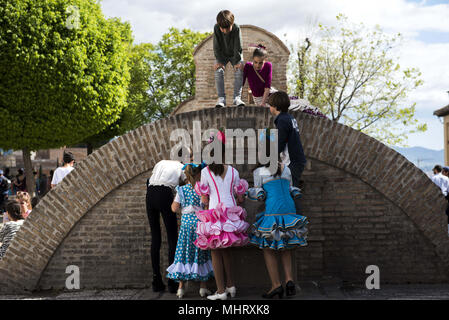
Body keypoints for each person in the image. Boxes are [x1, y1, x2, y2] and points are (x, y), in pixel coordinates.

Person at [248, 129, 308, 299]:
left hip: (273, 209)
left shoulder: (258, 172)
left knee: (268, 247)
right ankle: (289, 281)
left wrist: (249, 192)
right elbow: (291, 188)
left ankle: (276, 285)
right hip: (289, 208)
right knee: (286, 244)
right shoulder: (286, 169)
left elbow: (260, 195)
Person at [194, 130, 249, 300]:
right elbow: (240, 198)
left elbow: (204, 199)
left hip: (214, 215)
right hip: (231, 215)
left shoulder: (205, 173)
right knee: (227, 252)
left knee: (215, 253)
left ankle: (220, 292)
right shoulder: (234, 172)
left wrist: (204, 202)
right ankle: (231, 286)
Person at [166, 163, 213, 299]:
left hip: (186, 226)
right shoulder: (203, 189)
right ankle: (203, 287)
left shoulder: (181, 190)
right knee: (201, 253)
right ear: (199, 174)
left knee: (183, 253)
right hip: (200, 224)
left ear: (186, 175)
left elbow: (174, 208)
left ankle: (181, 288)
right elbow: (207, 206)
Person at [146, 159, 186, 293]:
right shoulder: (182, 166)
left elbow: (150, 178)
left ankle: (156, 281)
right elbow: (187, 183)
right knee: (172, 238)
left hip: (150, 193)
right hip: (164, 193)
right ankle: (172, 282)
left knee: (155, 237)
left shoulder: (161, 162)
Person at [269, 91, 307, 190]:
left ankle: (293, 206)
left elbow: (281, 141)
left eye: (270, 105)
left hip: (293, 161)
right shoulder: (289, 118)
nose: (269, 108)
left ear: (276, 106)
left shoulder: (281, 120)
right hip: (297, 159)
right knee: (290, 190)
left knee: (290, 191)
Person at [213, 10, 245, 108]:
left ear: (232, 23)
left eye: (227, 28)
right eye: (222, 29)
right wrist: (219, 61)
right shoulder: (216, 28)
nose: (225, 31)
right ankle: (221, 98)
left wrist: (236, 61)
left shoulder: (236, 28)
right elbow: (216, 46)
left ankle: (237, 98)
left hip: (235, 53)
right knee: (218, 71)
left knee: (239, 70)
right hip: (222, 54)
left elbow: (238, 46)